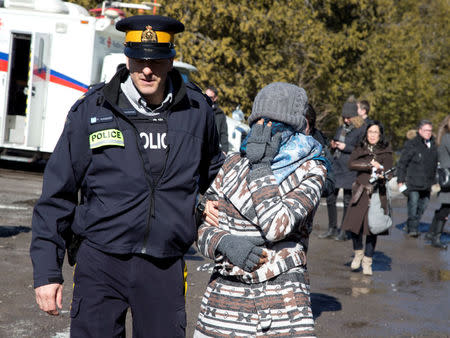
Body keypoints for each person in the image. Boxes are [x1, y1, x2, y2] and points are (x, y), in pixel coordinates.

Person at [30, 15, 225, 337]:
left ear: (171, 58)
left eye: (157, 60)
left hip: (164, 264)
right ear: (127, 57)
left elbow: (214, 174)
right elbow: (57, 194)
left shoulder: (197, 111)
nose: (147, 70)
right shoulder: (92, 109)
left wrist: (210, 201)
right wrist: (47, 271)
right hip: (100, 260)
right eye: (139, 60)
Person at [194, 82, 328, 337]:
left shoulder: (311, 168)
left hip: (281, 304)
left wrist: (261, 168)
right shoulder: (233, 162)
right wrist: (225, 243)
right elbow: (203, 229)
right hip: (224, 303)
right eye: (260, 121)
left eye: (277, 123)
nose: (266, 129)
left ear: (295, 127)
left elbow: (276, 225)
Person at [341, 120, 394, 275]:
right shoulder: (360, 147)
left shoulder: (386, 150)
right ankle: (358, 253)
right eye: (370, 132)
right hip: (360, 192)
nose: (372, 135)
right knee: (354, 227)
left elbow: (390, 172)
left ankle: (368, 261)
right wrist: (370, 164)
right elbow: (351, 164)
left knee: (372, 229)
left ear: (380, 134)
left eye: (375, 132)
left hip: (377, 194)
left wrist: (382, 171)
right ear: (366, 133)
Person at [318, 102, 364, 240]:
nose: (345, 120)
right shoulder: (341, 128)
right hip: (337, 167)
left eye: (348, 117)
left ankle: (344, 231)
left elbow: (362, 149)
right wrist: (333, 145)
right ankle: (332, 228)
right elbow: (336, 142)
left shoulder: (360, 130)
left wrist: (346, 147)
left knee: (347, 200)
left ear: (355, 117)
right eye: (344, 117)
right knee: (331, 198)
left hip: (350, 168)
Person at [397, 120, 438, 237]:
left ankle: (411, 224)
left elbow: (435, 164)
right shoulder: (412, 144)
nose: (428, 133)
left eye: (430, 130)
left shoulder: (433, 145)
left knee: (423, 205)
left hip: (427, 183)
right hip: (413, 182)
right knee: (413, 205)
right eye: (426, 130)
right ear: (420, 131)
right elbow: (402, 163)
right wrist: (400, 181)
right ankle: (413, 230)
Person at [425, 115, 449, 249]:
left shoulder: (443, 137)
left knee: (445, 206)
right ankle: (436, 238)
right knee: (446, 208)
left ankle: (431, 233)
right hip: (448, 177)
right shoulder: (447, 138)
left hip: (446, 177)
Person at [305, 103, 335, 198]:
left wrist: (311, 186)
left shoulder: (321, 146)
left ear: (310, 126)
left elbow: (330, 184)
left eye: (303, 124)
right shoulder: (283, 142)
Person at [206, 85, 229, 154]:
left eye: (209, 97)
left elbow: (223, 133)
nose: (206, 99)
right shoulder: (199, 110)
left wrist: (225, 150)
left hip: (212, 150)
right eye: (205, 96)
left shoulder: (220, 114)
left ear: (215, 98)